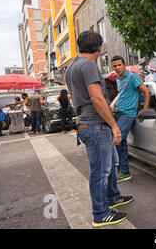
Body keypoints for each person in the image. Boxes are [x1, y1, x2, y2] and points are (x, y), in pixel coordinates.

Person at [65, 31, 132, 228]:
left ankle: (113, 197)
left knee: (110, 165)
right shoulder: (88, 65)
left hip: (90, 124)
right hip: (96, 126)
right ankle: (101, 213)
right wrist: (113, 125)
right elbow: (96, 98)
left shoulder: (72, 66)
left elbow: (78, 96)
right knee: (100, 171)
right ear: (100, 48)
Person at [110, 56, 150, 182]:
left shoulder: (132, 77)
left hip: (128, 114)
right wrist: (116, 103)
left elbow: (146, 92)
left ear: (124, 65)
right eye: (114, 66)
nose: (117, 68)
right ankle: (119, 169)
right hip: (118, 111)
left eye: (119, 65)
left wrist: (144, 111)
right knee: (117, 141)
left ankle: (124, 171)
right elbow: (123, 93)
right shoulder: (118, 79)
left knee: (117, 139)